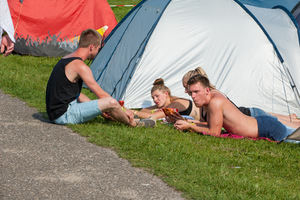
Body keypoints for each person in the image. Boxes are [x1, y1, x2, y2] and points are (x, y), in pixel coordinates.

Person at [46, 29, 155, 127]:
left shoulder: (65, 59)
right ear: (92, 47)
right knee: (111, 102)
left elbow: (74, 94)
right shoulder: (80, 66)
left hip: (54, 113)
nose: (98, 52)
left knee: (87, 98)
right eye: (98, 49)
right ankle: (134, 123)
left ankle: (123, 116)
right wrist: (123, 109)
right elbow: (102, 95)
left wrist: (100, 110)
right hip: (64, 115)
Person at [174, 74, 298, 141]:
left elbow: (214, 133)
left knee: (295, 139)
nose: (193, 96)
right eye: (191, 93)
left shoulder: (215, 102)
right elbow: (208, 125)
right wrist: (186, 122)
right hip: (262, 123)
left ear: (207, 90)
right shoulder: (210, 99)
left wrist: (190, 126)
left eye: (196, 92)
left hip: (266, 128)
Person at [181, 67, 300, 129]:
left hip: (250, 115)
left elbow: (211, 125)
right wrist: (186, 122)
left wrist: (189, 124)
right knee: (284, 122)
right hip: (248, 114)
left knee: (287, 126)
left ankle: (292, 119)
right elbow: (206, 123)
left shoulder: (214, 96)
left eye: (187, 87)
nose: (186, 91)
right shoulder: (205, 99)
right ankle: (291, 117)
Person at [130, 78, 200, 120]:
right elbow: (143, 110)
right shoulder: (164, 103)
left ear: (166, 94)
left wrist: (131, 112)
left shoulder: (176, 104)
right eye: (153, 98)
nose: (155, 100)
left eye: (157, 96)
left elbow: (152, 116)